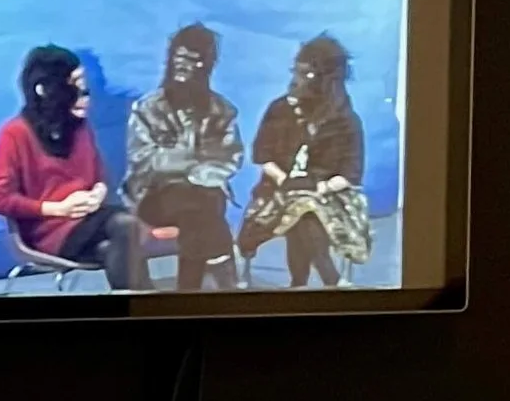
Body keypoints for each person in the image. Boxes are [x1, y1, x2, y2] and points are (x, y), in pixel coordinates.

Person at [0, 45, 144, 286]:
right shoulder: (13, 134)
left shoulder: (80, 128)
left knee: (116, 249)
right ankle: (151, 307)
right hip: (48, 232)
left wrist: (98, 193)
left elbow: (99, 175)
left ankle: (140, 310)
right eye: (74, 85)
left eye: (84, 86)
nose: (84, 94)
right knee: (126, 224)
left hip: (90, 222)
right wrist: (57, 208)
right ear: (45, 90)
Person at [238, 35, 371, 286]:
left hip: (331, 195)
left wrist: (320, 188)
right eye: (296, 72)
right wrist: (285, 180)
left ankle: (299, 283)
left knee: (307, 210)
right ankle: (329, 279)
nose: (296, 80)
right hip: (279, 189)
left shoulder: (346, 121)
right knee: (300, 208)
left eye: (305, 74)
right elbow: (263, 156)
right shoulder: (279, 110)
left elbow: (351, 172)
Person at [124, 24, 245, 287]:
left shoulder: (222, 111)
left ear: (206, 66)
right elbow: (144, 160)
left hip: (204, 194)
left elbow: (229, 158)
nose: (182, 65)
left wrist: (197, 173)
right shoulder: (147, 109)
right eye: (177, 57)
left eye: (192, 59)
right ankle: (224, 281)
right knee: (203, 212)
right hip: (154, 196)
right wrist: (191, 164)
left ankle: (188, 291)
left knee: (199, 209)